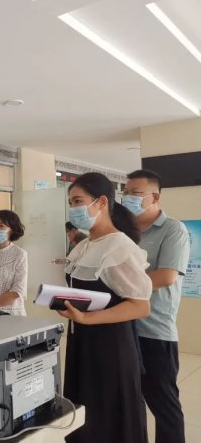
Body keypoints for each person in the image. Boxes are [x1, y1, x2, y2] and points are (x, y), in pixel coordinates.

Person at [60, 172, 152, 443]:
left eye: (78, 201)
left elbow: (140, 306)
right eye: (70, 202)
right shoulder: (84, 245)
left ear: (101, 202)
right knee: (84, 417)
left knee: (108, 420)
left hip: (111, 348)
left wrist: (88, 318)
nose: (73, 208)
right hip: (82, 343)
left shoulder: (119, 246)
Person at [124, 169, 190, 443]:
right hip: (123, 327)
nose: (128, 198)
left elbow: (166, 277)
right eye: (125, 192)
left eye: (135, 193)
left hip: (155, 332)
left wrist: (122, 287)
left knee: (164, 406)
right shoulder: (124, 231)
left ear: (155, 197)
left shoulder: (173, 229)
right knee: (130, 402)